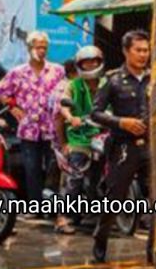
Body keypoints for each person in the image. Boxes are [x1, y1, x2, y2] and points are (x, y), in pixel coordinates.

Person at [0, 31, 69, 232]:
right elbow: (0, 91)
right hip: (29, 128)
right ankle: (34, 205)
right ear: (29, 48)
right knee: (31, 168)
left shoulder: (57, 70)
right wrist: (13, 107)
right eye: (38, 46)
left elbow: (65, 93)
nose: (41, 50)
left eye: (44, 46)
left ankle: (52, 206)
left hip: (52, 127)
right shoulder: (18, 72)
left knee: (54, 168)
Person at [90, 30, 153, 263]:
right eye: (138, 50)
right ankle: (100, 239)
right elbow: (94, 113)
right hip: (123, 147)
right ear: (126, 51)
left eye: (146, 50)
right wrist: (121, 122)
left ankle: (153, 251)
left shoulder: (155, 78)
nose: (143, 55)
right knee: (114, 197)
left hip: (151, 147)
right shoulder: (113, 79)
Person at [56, 45, 105, 235]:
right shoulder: (73, 85)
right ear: (79, 65)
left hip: (103, 135)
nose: (91, 65)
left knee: (101, 177)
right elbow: (64, 105)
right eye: (86, 62)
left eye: (94, 61)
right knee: (75, 178)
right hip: (79, 138)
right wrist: (71, 117)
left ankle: (94, 213)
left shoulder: (107, 83)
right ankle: (62, 218)